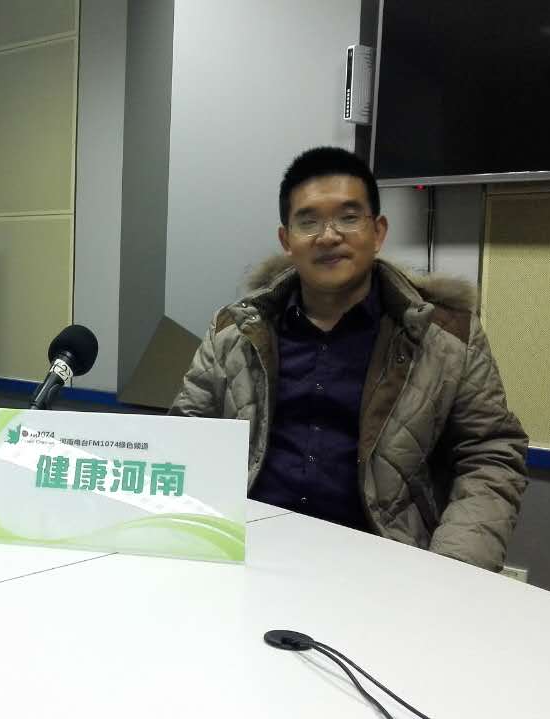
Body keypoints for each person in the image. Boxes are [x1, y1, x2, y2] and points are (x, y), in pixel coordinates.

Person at [170, 146, 527, 571]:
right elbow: (186, 437)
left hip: (384, 569)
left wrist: (452, 569)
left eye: (348, 217)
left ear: (378, 232)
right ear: (286, 241)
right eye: (308, 221)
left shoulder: (446, 338)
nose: (328, 236)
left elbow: (489, 454)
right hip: (248, 556)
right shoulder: (234, 332)